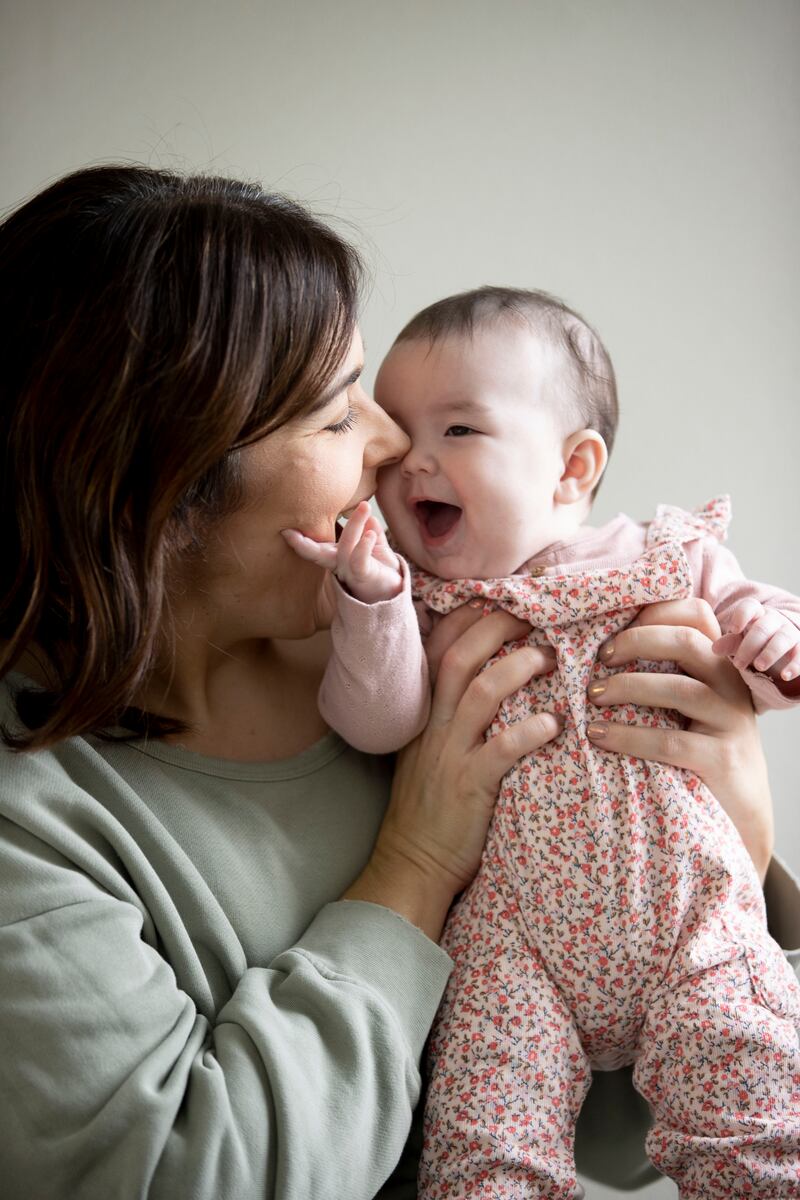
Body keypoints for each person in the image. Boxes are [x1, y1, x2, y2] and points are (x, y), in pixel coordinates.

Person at [0, 170, 795, 1200]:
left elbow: (621, 1142)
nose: (389, 447)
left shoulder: (422, 626)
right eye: (335, 421)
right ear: (161, 491)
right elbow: (181, 1177)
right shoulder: (36, 824)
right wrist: (412, 870)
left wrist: (737, 838)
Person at [287, 287, 800, 1196]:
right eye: (400, 437)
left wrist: (772, 646)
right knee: (484, 1144)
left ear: (573, 467)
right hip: (510, 941)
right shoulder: (421, 608)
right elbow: (378, 721)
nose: (412, 461)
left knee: (756, 1124)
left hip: (691, 910)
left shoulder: (665, 558)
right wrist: (367, 605)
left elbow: (750, 662)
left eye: (460, 432)